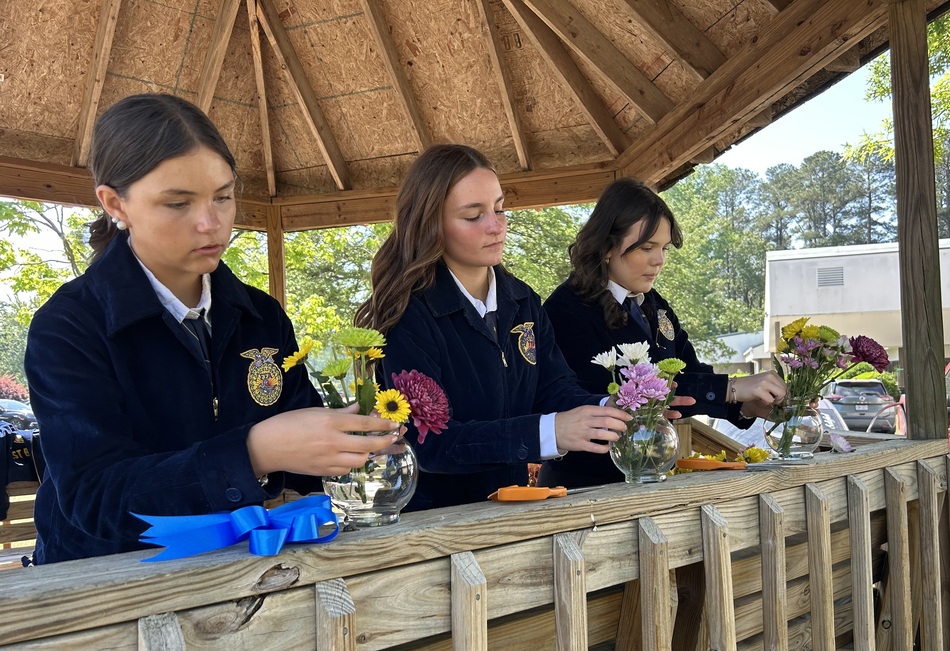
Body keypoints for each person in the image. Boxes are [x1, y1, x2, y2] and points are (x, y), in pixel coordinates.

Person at [25, 93, 397, 564]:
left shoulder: (258, 315)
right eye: (177, 203)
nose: (211, 223)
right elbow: (94, 499)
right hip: (107, 586)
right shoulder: (70, 326)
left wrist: (351, 439)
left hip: (240, 573)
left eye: (223, 197)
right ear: (114, 202)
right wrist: (252, 452)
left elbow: (301, 452)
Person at [355, 144, 641, 511]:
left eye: (500, 209)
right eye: (473, 216)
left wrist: (610, 407)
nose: (496, 226)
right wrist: (549, 432)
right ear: (431, 224)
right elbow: (433, 444)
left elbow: (555, 389)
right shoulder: (409, 315)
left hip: (512, 511)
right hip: (434, 523)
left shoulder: (522, 301)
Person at [540, 177, 787, 488]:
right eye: (647, 247)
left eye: (664, 248)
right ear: (606, 246)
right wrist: (733, 387)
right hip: (585, 486)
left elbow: (688, 373)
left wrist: (748, 406)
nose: (659, 261)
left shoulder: (653, 305)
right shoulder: (565, 310)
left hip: (650, 479)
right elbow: (613, 396)